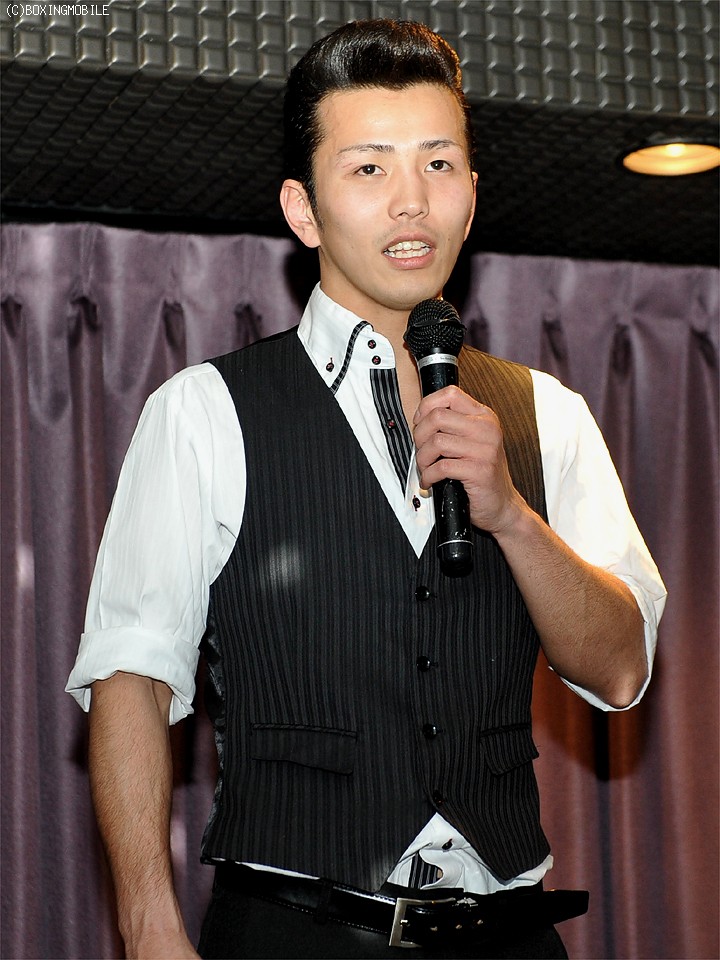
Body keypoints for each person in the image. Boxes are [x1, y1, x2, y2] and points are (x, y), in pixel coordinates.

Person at [66, 18, 666, 960]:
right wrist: (148, 930)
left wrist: (511, 515)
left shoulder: (549, 414)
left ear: (472, 195)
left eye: (439, 164)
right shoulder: (203, 411)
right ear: (303, 211)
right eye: (370, 168)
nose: (411, 201)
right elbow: (130, 677)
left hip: (507, 932)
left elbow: (621, 670)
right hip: (292, 931)